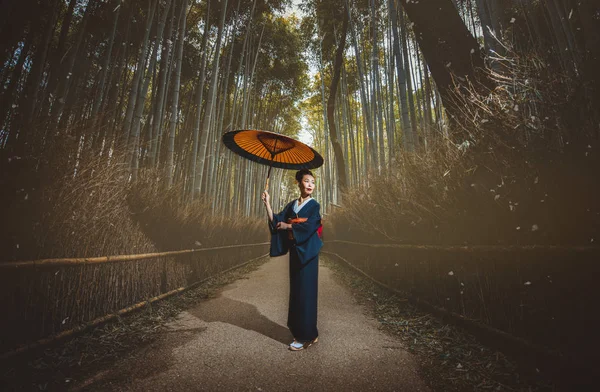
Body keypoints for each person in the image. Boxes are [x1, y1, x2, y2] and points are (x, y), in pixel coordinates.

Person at [261, 168, 323, 351]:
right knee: (297, 291)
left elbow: (311, 226)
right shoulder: (292, 205)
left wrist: (289, 225)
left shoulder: (314, 206)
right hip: (296, 251)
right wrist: (268, 204)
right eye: (306, 181)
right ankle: (300, 331)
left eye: (312, 182)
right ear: (299, 183)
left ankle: (307, 336)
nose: (310, 184)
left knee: (306, 292)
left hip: (308, 253)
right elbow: (276, 221)